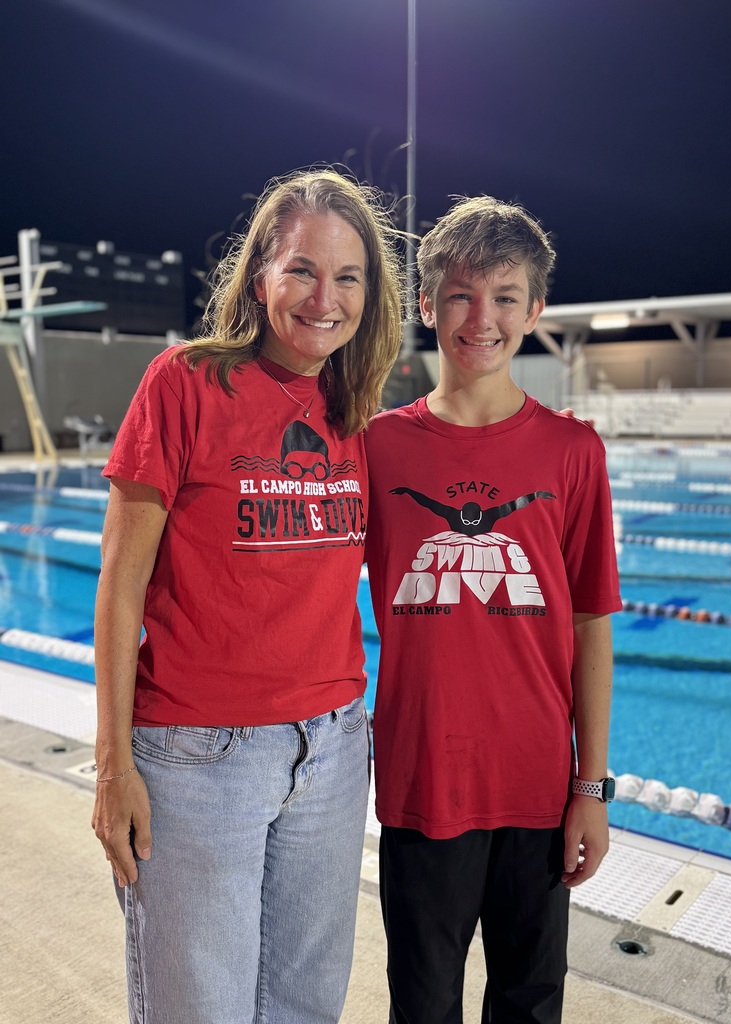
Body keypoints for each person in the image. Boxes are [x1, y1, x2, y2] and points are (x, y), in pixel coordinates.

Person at [91, 168, 404, 1024]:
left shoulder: (355, 411)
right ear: (259, 274)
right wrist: (113, 766)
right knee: (202, 1009)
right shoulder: (186, 383)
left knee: (307, 1005)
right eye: (302, 269)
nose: (324, 297)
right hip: (197, 759)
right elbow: (119, 589)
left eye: (348, 277)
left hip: (333, 751)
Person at [364, 196, 622, 1024]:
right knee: (424, 1006)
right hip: (423, 778)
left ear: (536, 308)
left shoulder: (573, 451)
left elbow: (590, 624)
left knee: (529, 1002)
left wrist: (592, 786)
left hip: (538, 784)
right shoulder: (376, 447)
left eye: (506, 296)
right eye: (463, 295)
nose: (483, 319)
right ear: (428, 304)